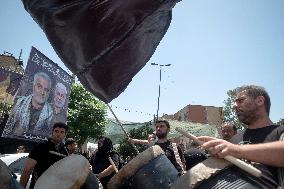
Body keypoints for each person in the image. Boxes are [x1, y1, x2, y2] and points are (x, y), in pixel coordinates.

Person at [198, 85, 284, 186]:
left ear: (260, 101)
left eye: (240, 100)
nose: (234, 105)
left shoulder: (280, 131)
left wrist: (235, 150)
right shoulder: (233, 140)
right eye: (235, 102)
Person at [3, 72, 53, 137]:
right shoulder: (20, 102)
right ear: (33, 87)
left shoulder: (50, 113)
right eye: (39, 87)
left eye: (46, 90)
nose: (42, 92)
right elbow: (8, 127)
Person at [20, 122, 68, 189]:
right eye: (56, 131)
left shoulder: (64, 151)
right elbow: (27, 170)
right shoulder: (40, 147)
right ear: (52, 132)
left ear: (65, 135)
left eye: (62, 132)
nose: (58, 134)